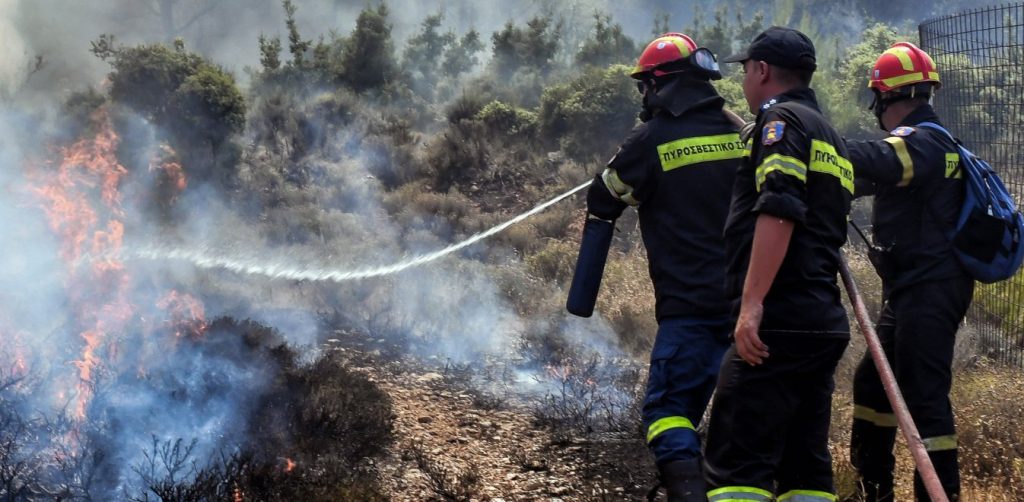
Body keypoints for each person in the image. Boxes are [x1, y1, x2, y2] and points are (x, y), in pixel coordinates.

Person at [578, 33, 743, 501]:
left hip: (690, 311)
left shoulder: (651, 138)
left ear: (657, 85)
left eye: (643, 87)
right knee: (743, 428)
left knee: (668, 413)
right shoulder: (743, 133)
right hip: (750, 310)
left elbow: (602, 199)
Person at [701, 27, 853, 502]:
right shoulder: (829, 135)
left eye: (745, 70)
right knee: (804, 472)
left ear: (762, 70)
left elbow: (779, 207)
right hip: (819, 323)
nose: (744, 81)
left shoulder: (781, 124)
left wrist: (752, 305)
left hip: (777, 324)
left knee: (736, 472)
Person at [845, 42, 973, 501]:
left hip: (931, 289)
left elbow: (877, 159)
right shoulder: (921, 144)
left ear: (884, 98)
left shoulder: (923, 141)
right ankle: (870, 490)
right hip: (911, 289)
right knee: (873, 384)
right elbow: (865, 176)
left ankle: (941, 495)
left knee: (923, 399)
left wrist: (815, 141)